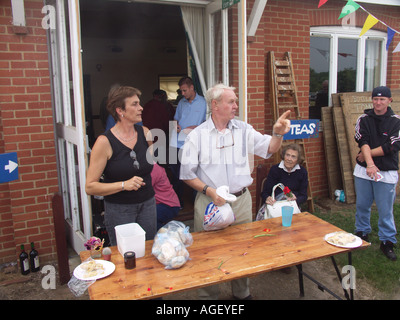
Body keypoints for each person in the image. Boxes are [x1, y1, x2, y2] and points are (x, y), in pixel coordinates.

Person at [180, 83, 291, 300]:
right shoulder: (197, 136)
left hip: (240, 202)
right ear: (215, 105)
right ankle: (208, 297)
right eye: (231, 101)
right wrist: (209, 190)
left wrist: (277, 133)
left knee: (242, 250)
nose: (235, 106)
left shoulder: (243, 129)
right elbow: (186, 174)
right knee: (208, 253)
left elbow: (269, 148)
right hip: (210, 202)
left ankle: (242, 293)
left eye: (235, 101)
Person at [85, 86, 157, 245]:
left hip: (148, 205)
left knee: (149, 251)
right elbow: (90, 187)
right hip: (119, 210)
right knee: (126, 256)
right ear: (120, 110)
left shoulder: (146, 133)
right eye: (135, 104)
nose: (141, 108)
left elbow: (150, 166)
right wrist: (124, 185)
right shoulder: (104, 142)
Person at [354, 86, 400, 261]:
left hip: (386, 173)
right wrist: (370, 164)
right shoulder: (363, 119)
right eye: (375, 99)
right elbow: (362, 140)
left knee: (385, 210)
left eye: (382, 99)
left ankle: (387, 241)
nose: (378, 102)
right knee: (362, 205)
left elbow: (393, 146)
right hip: (364, 171)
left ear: (389, 101)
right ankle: (362, 233)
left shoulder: (396, 121)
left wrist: (367, 156)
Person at [170, 76, 207, 206]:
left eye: (185, 90)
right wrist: (176, 125)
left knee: (193, 175)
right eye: (181, 91)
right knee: (176, 176)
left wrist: (195, 128)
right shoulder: (181, 103)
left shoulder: (204, 103)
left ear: (192, 88)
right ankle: (178, 203)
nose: (183, 94)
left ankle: (195, 204)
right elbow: (175, 119)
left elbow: (207, 124)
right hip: (176, 144)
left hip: (192, 145)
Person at [151, 162, 181, 230]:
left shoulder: (153, 168)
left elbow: (143, 189)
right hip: (159, 203)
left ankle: (167, 236)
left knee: (149, 218)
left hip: (168, 205)